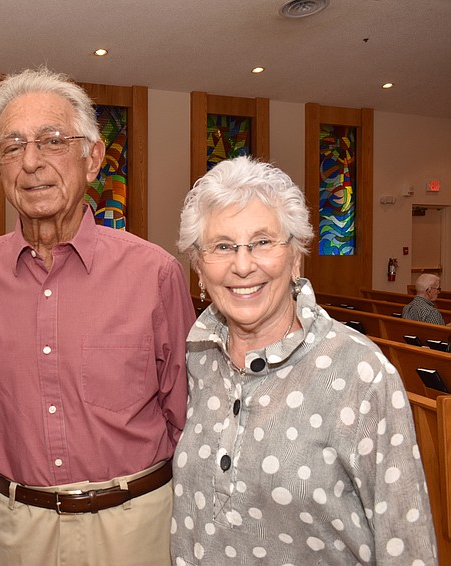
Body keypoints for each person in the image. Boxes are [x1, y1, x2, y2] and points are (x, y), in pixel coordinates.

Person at [0, 67, 196, 566]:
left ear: (93, 158)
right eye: (12, 147)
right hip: (15, 531)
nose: (31, 162)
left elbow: (190, 419)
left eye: (52, 141)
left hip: (135, 528)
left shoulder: (155, 273)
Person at [172, 156, 438, 565]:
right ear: (199, 268)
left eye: (263, 242)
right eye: (222, 246)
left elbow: (406, 542)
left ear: (295, 256)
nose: (243, 265)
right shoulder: (199, 357)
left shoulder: (359, 372)